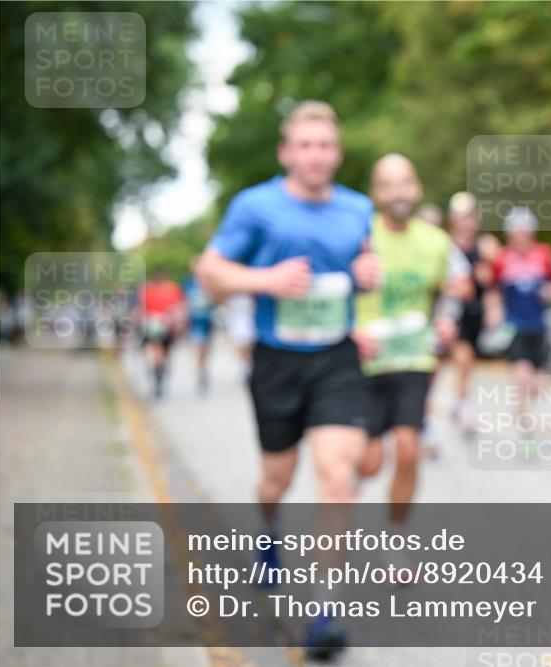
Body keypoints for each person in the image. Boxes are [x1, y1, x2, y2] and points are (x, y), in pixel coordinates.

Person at [195, 100, 381, 659]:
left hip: (336, 359)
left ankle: (324, 613)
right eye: (304, 145)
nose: (315, 155)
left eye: (324, 145)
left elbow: (361, 273)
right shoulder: (256, 206)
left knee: (338, 477)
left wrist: (367, 278)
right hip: (277, 361)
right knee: (276, 480)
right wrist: (266, 280)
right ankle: (269, 528)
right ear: (286, 153)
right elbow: (209, 273)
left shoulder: (358, 209)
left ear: (337, 154)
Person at [354, 155, 471, 564]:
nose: (398, 192)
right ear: (376, 193)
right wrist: (350, 329)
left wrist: (446, 321)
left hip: (414, 360)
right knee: (370, 463)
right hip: (365, 363)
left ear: (417, 187)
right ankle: (351, 485)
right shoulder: (359, 236)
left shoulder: (437, 242)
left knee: (408, 449)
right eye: (388, 185)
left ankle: (395, 536)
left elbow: (458, 286)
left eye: (404, 183)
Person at [485, 206, 551, 415]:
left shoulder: (544, 254)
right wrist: (493, 310)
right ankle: (522, 411)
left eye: (524, 229)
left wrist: (550, 293)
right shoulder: (502, 258)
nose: (521, 235)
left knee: (540, 382)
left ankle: (528, 397)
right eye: (516, 230)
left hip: (539, 324)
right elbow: (493, 289)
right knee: (521, 369)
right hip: (514, 323)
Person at [447, 191, 498, 432]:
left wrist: (493, 306)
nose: (465, 221)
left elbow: (495, 281)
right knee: (463, 358)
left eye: (469, 216)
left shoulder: (486, 245)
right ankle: (462, 408)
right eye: (460, 216)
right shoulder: (445, 245)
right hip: (453, 311)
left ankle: (459, 402)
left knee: (468, 363)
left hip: (475, 312)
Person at [138, 267, 184, 400]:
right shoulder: (147, 289)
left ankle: (159, 374)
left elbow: (178, 308)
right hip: (154, 325)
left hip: (166, 325)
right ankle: (158, 378)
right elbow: (142, 309)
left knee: (163, 354)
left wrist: (178, 324)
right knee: (157, 352)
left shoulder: (172, 289)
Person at [182, 256, 216, 393]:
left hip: (208, 320)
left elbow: (217, 299)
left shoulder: (210, 282)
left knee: (206, 348)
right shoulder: (188, 283)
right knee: (199, 346)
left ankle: (203, 368)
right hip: (194, 321)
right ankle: (200, 371)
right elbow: (184, 302)